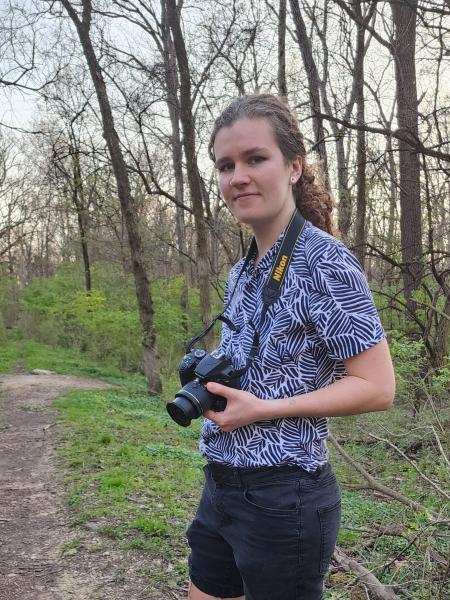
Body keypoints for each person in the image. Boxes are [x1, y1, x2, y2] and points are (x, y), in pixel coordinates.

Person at [186, 94, 395, 600]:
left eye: (256, 159)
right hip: (222, 480)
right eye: (226, 165)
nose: (238, 176)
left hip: (285, 495)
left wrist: (264, 409)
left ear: (294, 167)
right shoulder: (244, 269)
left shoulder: (326, 262)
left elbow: (378, 387)